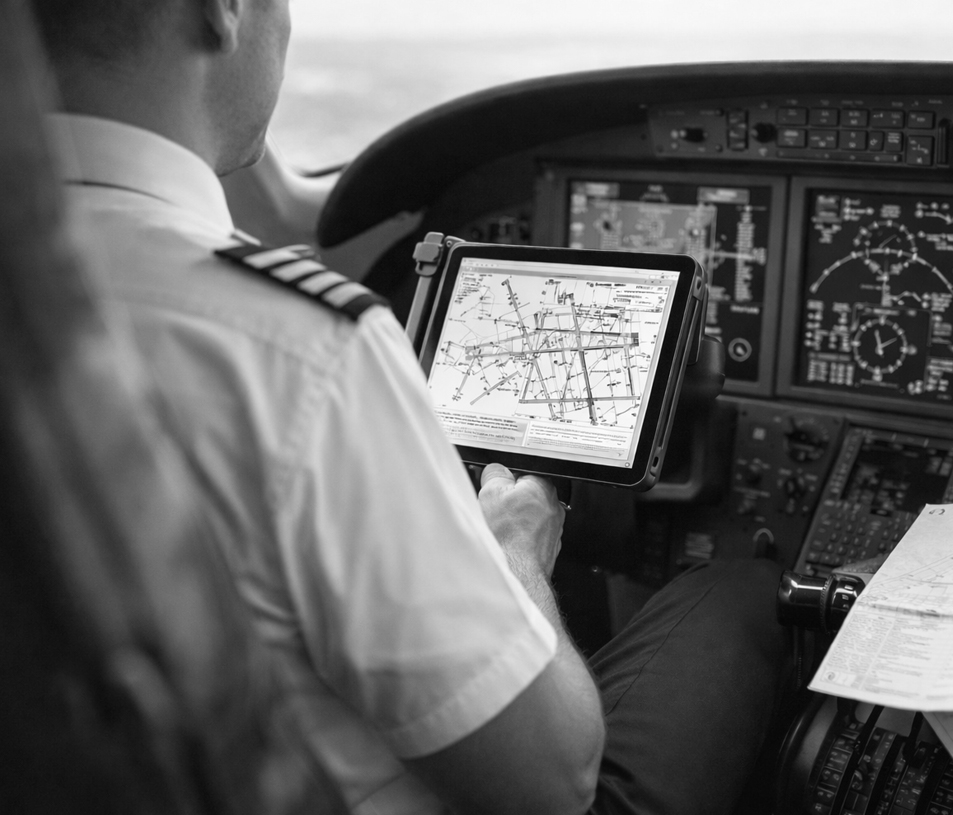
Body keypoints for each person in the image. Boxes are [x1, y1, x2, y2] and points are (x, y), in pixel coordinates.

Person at [30, 1, 790, 813]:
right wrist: (511, 549)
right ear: (222, 12)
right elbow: (554, 783)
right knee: (736, 591)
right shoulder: (304, 354)